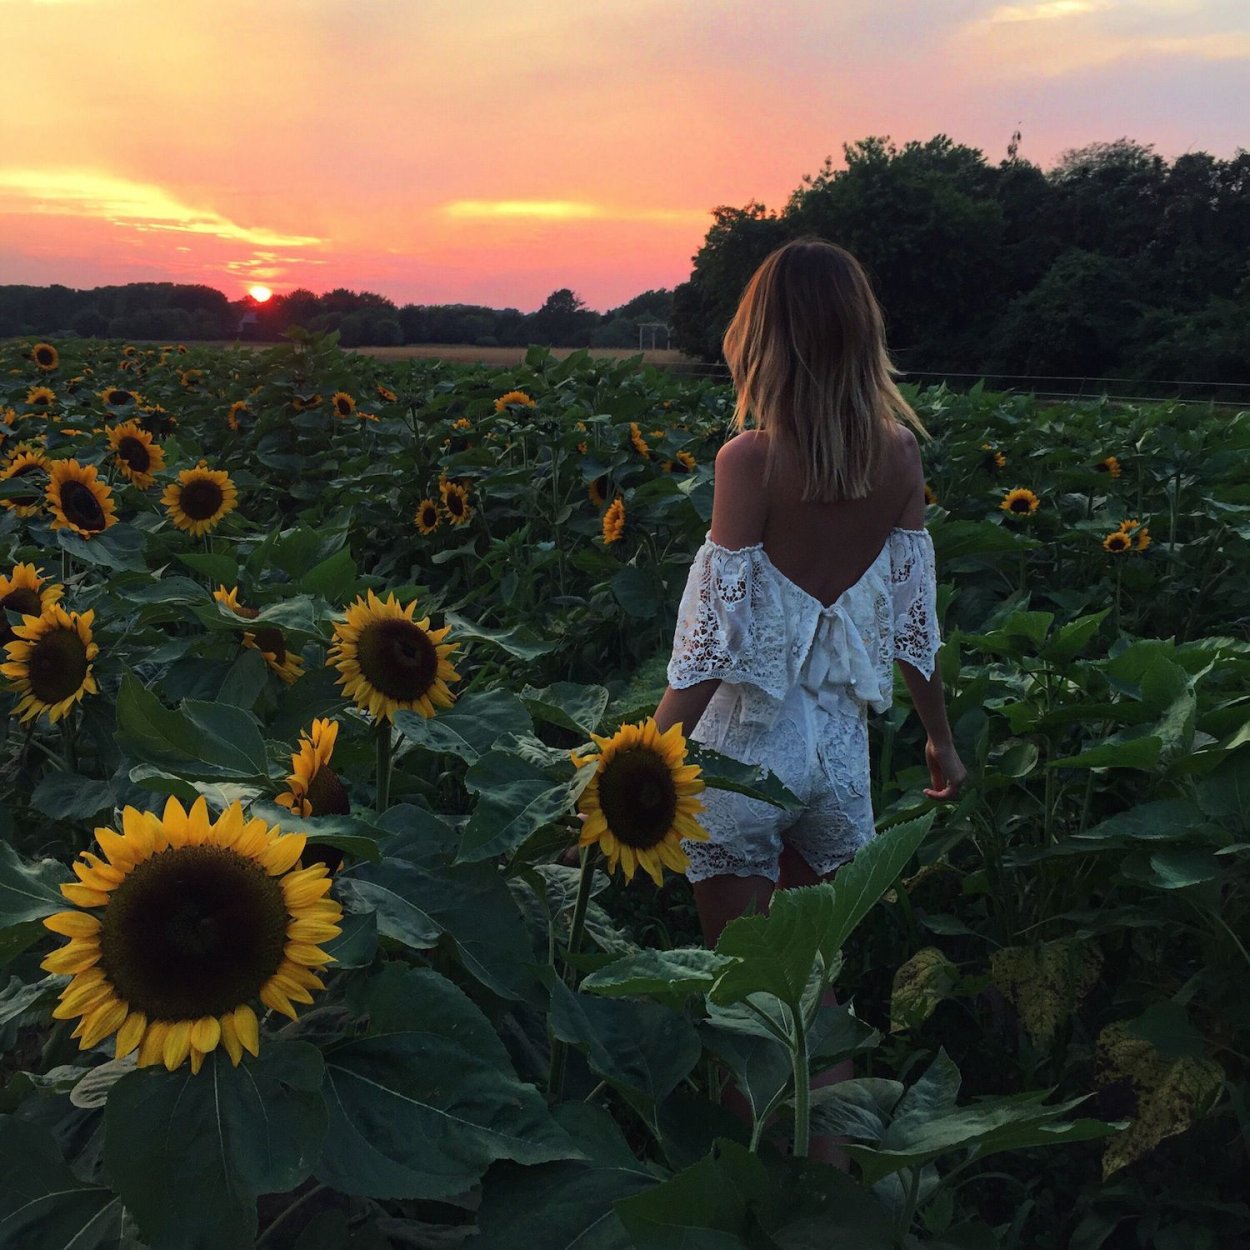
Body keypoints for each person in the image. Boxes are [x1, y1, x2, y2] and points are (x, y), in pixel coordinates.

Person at [649, 236, 967, 1164]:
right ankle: (833, 1196)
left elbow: (715, 639)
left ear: (768, 341)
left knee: (748, 1014)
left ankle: (767, 1198)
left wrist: (642, 759)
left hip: (742, 752)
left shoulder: (750, 460)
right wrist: (941, 742)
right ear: (861, 336)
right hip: (837, 755)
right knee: (808, 1009)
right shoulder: (899, 458)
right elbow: (915, 625)